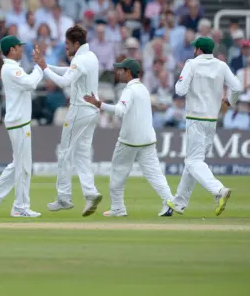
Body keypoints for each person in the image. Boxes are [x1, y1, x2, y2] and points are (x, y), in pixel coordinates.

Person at [82, 59, 174, 217]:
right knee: (155, 174)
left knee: (117, 174)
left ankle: (118, 208)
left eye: (121, 70)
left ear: (128, 72)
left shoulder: (129, 90)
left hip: (129, 141)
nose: (119, 73)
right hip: (147, 140)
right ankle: (169, 201)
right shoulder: (143, 88)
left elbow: (119, 111)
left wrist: (99, 104)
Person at [168, 37, 242, 216]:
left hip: (195, 118)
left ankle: (219, 190)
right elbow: (238, 87)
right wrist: (230, 102)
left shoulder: (191, 64)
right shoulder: (221, 65)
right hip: (212, 120)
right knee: (194, 160)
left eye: (195, 48)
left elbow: (180, 90)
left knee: (193, 161)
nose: (193, 50)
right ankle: (179, 202)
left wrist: (180, 80)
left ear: (199, 50)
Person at [34, 25, 103, 216]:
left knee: (64, 152)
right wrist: (44, 65)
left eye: (67, 44)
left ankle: (64, 198)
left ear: (76, 43)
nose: (66, 48)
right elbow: (68, 71)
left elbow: (65, 81)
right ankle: (90, 193)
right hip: (92, 113)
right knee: (81, 153)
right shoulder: (90, 57)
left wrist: (45, 68)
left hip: (79, 111)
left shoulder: (80, 60)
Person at [0, 36, 43, 218]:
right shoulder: (10, 69)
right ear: (12, 50)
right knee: (23, 166)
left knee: (19, 165)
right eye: (19, 47)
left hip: (20, 121)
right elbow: (31, 84)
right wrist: (40, 67)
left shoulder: (14, 68)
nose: (21, 50)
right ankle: (19, 207)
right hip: (18, 122)